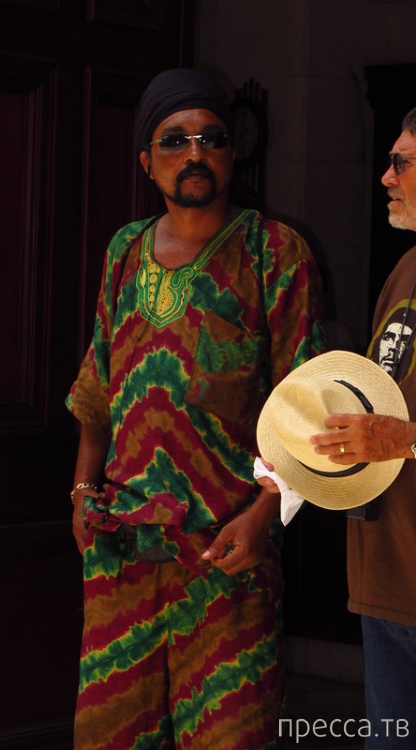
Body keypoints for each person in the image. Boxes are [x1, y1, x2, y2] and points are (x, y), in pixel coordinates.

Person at [66, 68, 326, 750]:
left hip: (226, 559)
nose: (194, 153)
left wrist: (265, 514)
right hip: (123, 555)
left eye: (211, 138)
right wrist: (83, 490)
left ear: (232, 154)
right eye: (174, 140)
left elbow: (310, 408)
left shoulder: (273, 252)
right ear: (146, 161)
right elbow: (97, 386)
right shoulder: (124, 250)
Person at [288, 107, 416, 748]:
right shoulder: (407, 267)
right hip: (387, 573)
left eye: (402, 163)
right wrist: (297, 454)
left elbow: (399, 431)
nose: (386, 178)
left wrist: (407, 440)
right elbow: (376, 400)